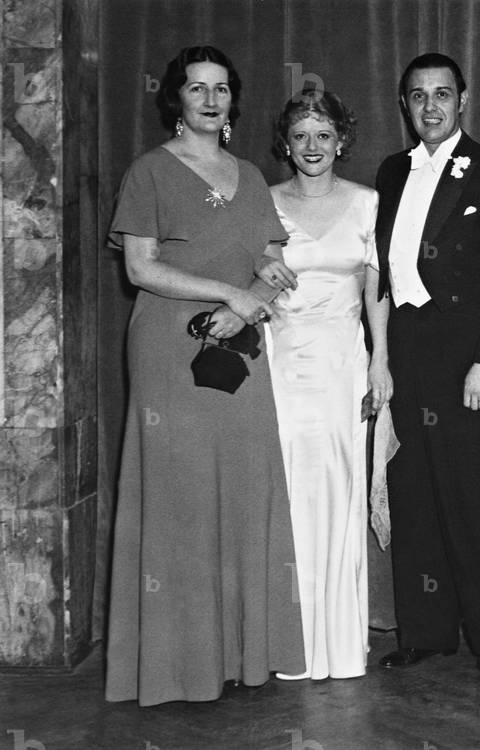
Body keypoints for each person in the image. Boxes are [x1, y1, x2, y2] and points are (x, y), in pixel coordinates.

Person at [105, 46, 304, 705]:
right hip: (170, 348)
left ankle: (239, 656)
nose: (211, 100)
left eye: (221, 88)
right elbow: (141, 268)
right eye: (197, 88)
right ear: (177, 99)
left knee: (242, 491)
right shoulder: (149, 171)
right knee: (181, 497)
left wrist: (247, 300)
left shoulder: (250, 174)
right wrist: (227, 294)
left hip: (238, 348)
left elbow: (273, 265)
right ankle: (176, 666)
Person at [374, 53, 480, 676]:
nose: (430, 106)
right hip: (407, 353)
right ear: (405, 105)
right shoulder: (392, 171)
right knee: (413, 492)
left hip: (467, 361)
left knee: (468, 497)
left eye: (442, 94)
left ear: (462, 100)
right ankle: (425, 632)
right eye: (418, 96)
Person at [256, 89, 392, 680]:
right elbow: (252, 282)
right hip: (282, 363)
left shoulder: (367, 203)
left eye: (324, 134)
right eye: (301, 136)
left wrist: (380, 361)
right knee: (289, 490)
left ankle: (338, 643)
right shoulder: (263, 201)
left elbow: (377, 291)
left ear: (342, 140)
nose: (312, 146)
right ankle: (291, 642)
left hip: (343, 363)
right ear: (286, 144)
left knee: (339, 486)